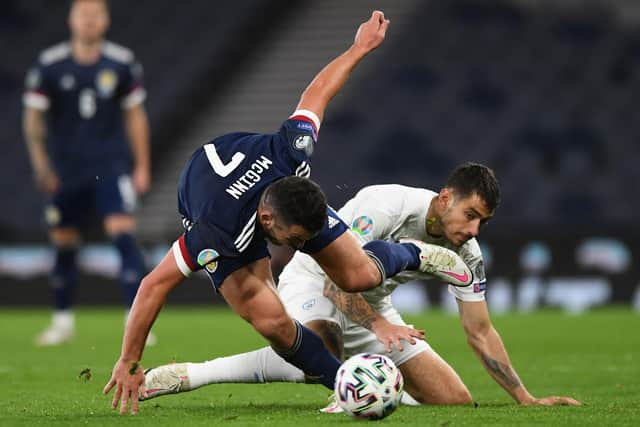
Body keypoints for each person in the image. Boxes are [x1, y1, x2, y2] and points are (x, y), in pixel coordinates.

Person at [102, 10, 474, 415]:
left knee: (358, 273)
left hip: (265, 182)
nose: (300, 248)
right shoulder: (217, 233)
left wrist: (359, 47)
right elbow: (153, 286)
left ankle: (418, 253)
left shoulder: (292, 154)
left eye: (305, 239)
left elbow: (316, 92)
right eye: (295, 241)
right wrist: (128, 360)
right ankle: (341, 385)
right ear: (267, 224)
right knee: (274, 324)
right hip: (205, 188)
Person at [141, 165, 581, 408]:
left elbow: (480, 330)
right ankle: (191, 375)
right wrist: (381, 328)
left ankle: (373, 386)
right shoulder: (386, 205)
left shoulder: (467, 254)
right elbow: (339, 281)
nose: (474, 229)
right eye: (470, 215)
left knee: (454, 403)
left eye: (483, 222)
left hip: (375, 309)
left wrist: (525, 398)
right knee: (320, 351)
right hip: (315, 283)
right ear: (445, 198)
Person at [22, 0, 152, 346]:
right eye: (84, 15)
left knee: (123, 234)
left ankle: (135, 321)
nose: (90, 21)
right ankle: (62, 322)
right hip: (67, 170)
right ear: (72, 19)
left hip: (110, 166)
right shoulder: (50, 65)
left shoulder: (122, 63)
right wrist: (42, 166)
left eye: (96, 15)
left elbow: (135, 116)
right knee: (64, 242)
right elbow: (33, 120)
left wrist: (142, 166)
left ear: (106, 20)